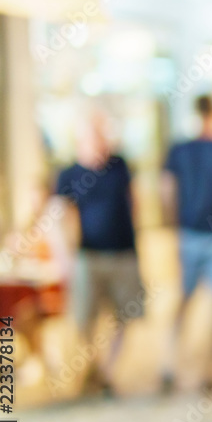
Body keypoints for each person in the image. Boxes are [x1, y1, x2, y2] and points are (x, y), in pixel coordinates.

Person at [53, 111, 144, 396]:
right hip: (88, 255)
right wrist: (64, 255)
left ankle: (106, 372)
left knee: (126, 316)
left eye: (102, 134)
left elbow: (133, 201)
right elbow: (56, 216)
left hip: (123, 252)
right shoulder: (68, 174)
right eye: (93, 134)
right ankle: (92, 367)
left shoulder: (120, 165)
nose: (99, 140)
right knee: (83, 320)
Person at [160, 95, 212, 392]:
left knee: (184, 301)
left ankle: (169, 365)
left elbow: (167, 191)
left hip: (190, 233)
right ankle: (211, 372)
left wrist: (175, 226)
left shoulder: (180, 149)